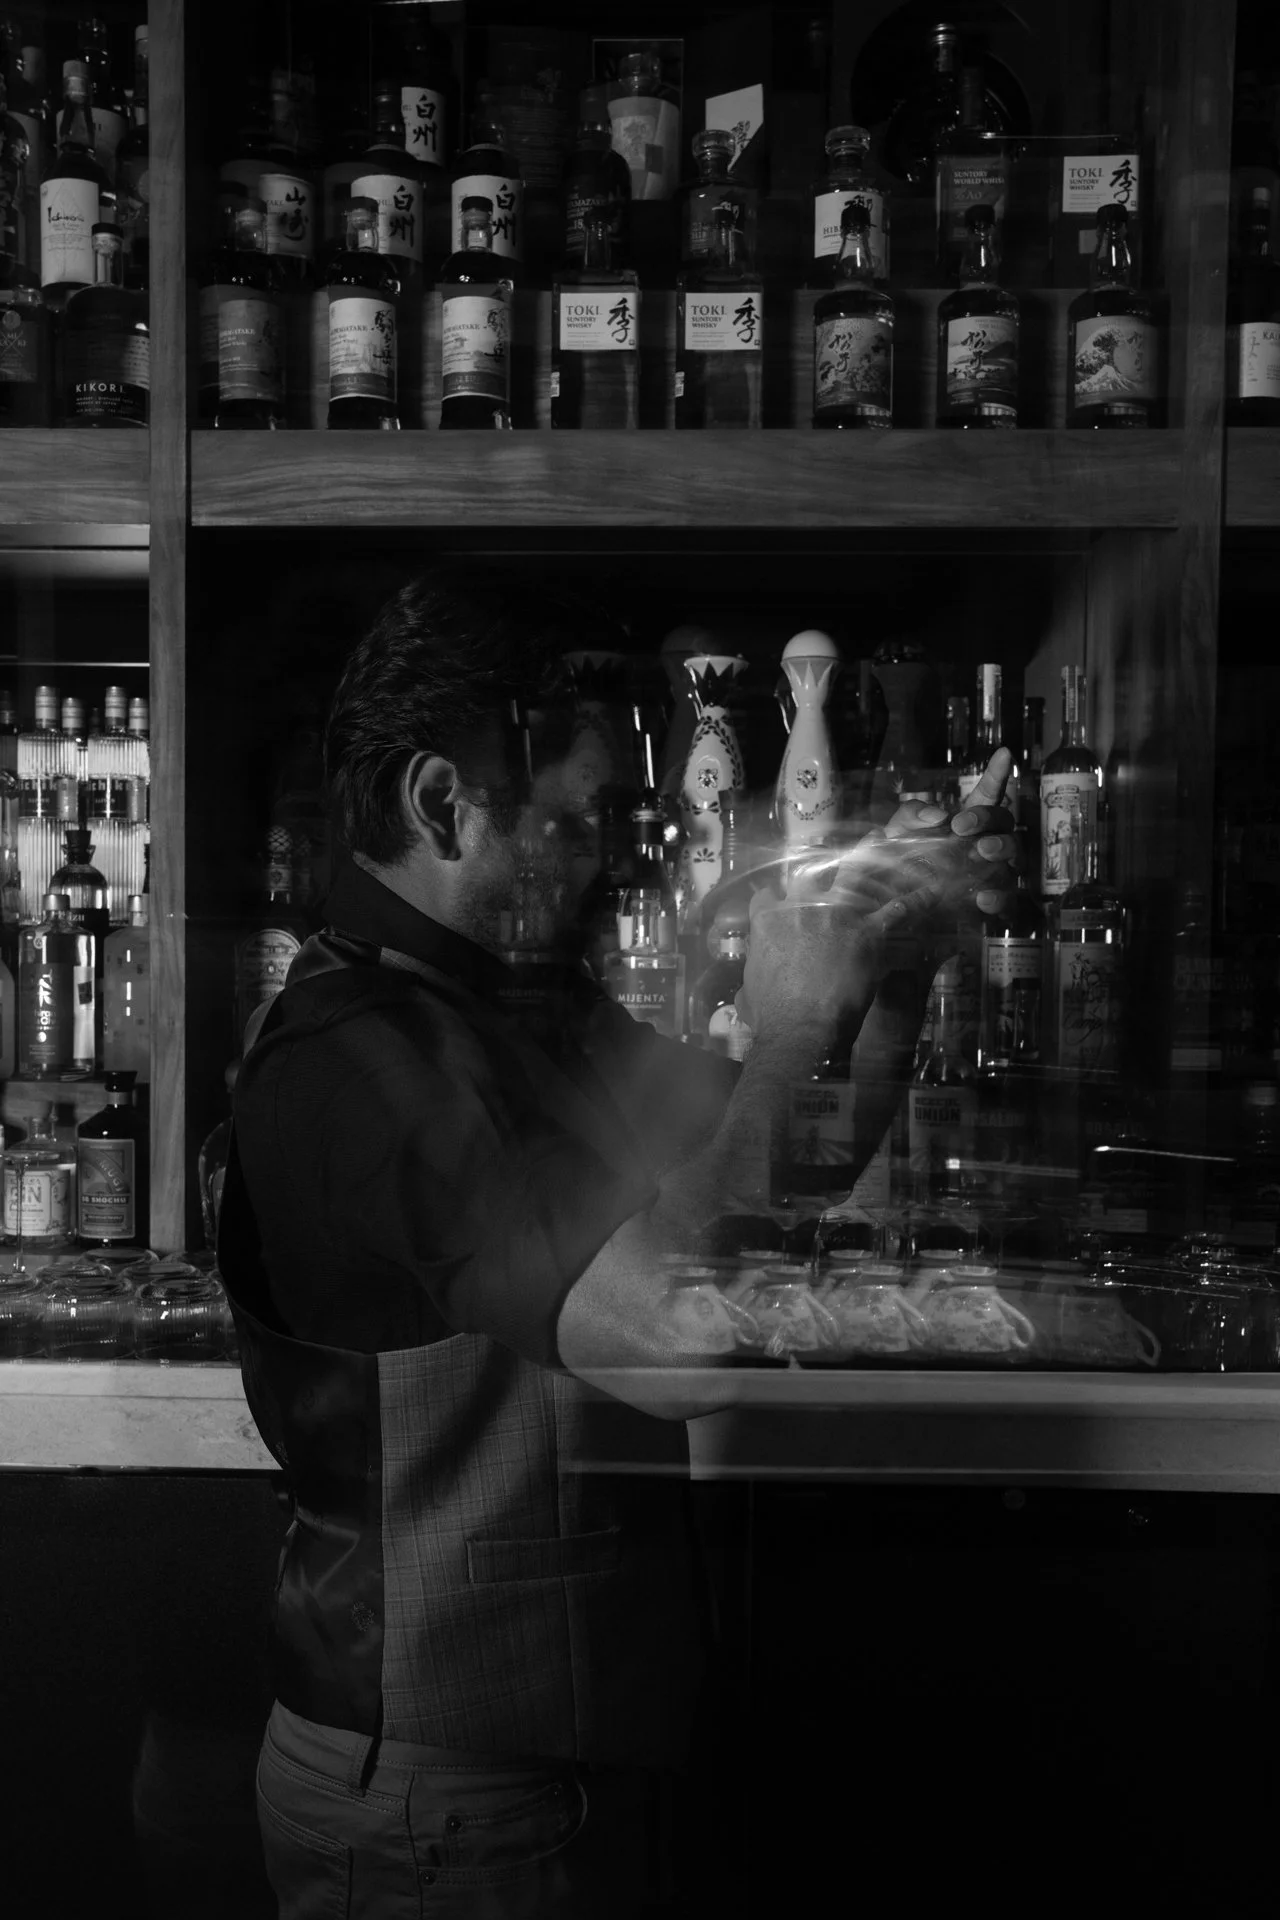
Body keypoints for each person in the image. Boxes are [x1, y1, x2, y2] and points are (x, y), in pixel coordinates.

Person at [218, 571, 1017, 1917]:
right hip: (438, 1796)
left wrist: (894, 977)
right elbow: (678, 1339)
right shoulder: (365, 1060)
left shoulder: (507, 1012)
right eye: (578, 816)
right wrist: (781, 1030)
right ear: (438, 803)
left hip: (533, 1772)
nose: (605, 852)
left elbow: (790, 1163)